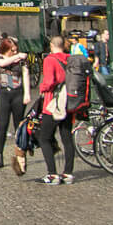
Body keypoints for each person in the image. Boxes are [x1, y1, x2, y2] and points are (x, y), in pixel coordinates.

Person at [38, 35, 75, 185]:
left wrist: (42, 88)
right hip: (69, 102)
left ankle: (52, 174)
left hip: (53, 103)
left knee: (44, 138)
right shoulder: (71, 58)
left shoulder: (50, 59)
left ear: (52, 46)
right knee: (66, 137)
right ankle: (68, 173)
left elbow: (49, 82)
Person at [0, 38, 30, 168]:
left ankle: (21, 155)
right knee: (3, 125)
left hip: (18, 93)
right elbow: (3, 63)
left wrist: (27, 94)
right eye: (11, 50)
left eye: (15, 50)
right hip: (4, 93)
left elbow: (25, 75)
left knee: (19, 125)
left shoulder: (21, 60)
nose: (14, 52)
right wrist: (17, 56)